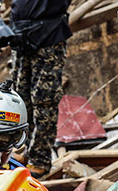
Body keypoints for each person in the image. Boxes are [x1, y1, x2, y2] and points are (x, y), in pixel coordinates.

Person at [10, 0, 71, 178]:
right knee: (19, 97)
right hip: (20, 34)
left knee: (44, 99)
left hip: (49, 34)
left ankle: (39, 158)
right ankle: (25, 149)